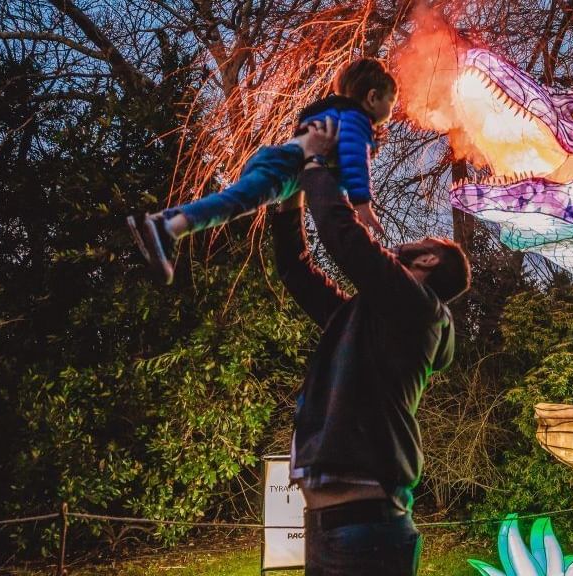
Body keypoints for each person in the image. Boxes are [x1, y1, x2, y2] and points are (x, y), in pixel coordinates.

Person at [272, 119, 470, 575]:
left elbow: (346, 241)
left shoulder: (418, 308)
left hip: (365, 534)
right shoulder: (365, 319)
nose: (407, 242)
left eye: (422, 241)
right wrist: (288, 199)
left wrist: (315, 163)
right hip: (332, 529)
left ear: (427, 259)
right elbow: (296, 270)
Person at [128, 58, 397, 284]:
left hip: (280, 160)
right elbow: (354, 155)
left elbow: (329, 179)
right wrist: (361, 202)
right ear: (372, 97)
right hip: (287, 167)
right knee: (238, 202)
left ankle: (164, 223)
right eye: (391, 102)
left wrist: (340, 202)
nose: (392, 110)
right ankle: (167, 227)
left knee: (238, 200)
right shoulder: (357, 119)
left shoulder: (333, 113)